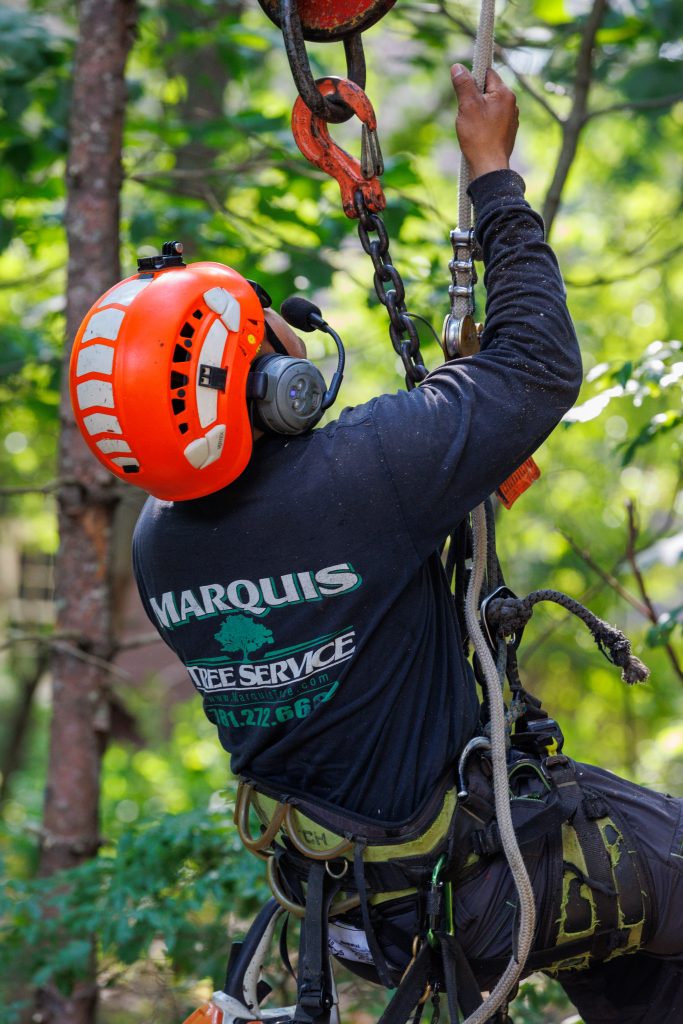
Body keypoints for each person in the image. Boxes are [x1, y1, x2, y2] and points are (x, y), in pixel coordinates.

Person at [75, 62, 683, 1023]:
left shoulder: (163, 547)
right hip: (476, 877)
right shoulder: (360, 479)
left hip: (358, 907)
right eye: (266, 336)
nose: (286, 333)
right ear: (272, 390)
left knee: (646, 974)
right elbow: (537, 366)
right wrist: (490, 171)